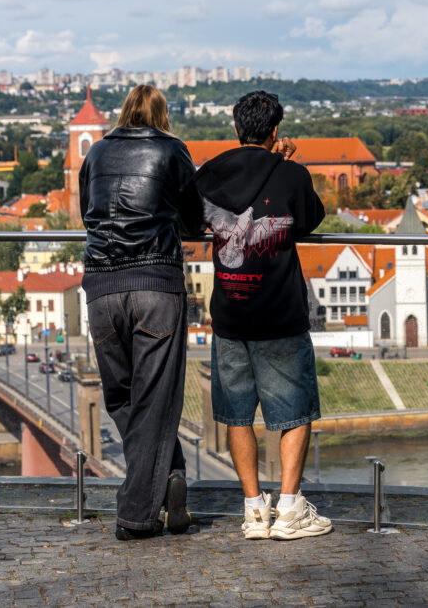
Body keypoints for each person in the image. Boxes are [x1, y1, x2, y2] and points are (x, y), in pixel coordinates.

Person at [192, 90, 331, 540]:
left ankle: (254, 511)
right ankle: (289, 510)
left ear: (236, 129)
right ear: (275, 131)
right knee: (294, 412)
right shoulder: (291, 174)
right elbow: (310, 219)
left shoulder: (211, 173)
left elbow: (187, 220)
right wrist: (286, 163)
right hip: (280, 314)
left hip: (230, 314)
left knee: (237, 416)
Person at [80, 84, 203, 540]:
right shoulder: (172, 150)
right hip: (155, 285)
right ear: (161, 115)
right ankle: (136, 516)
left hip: (101, 288)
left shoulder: (95, 153)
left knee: (121, 398)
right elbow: (194, 220)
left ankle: (170, 477)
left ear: (124, 111)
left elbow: (87, 214)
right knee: (155, 400)